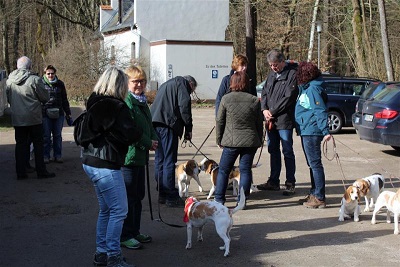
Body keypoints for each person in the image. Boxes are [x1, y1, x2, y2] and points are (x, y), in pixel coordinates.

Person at [81, 66, 142, 267]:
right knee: (119, 211)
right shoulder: (116, 106)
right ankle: (113, 256)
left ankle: (102, 252)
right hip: (106, 164)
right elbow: (131, 134)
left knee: (107, 209)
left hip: (90, 161)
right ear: (119, 85)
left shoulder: (93, 101)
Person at [120, 66, 158, 250]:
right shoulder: (127, 102)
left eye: (142, 81)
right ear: (127, 83)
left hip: (140, 157)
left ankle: (135, 231)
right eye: (135, 81)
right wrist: (148, 143)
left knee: (138, 196)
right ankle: (125, 234)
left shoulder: (142, 102)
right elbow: (131, 132)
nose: (139, 85)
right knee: (129, 198)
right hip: (129, 157)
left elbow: (148, 125)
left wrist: (155, 139)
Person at [214, 71, 263, 206]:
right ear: (246, 83)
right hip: (250, 140)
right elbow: (259, 123)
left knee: (224, 170)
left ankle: (219, 199)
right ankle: (242, 201)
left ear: (232, 83)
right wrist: (259, 139)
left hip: (231, 141)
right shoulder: (254, 100)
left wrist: (219, 139)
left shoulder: (226, 99)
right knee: (245, 170)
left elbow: (220, 121)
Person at [150, 75, 197, 208]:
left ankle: (162, 193)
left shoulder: (167, 84)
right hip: (168, 124)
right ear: (191, 84)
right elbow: (184, 107)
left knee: (160, 159)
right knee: (169, 161)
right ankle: (170, 195)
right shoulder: (182, 84)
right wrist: (188, 129)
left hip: (155, 123)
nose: (190, 93)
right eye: (192, 91)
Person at [6, 56, 56, 180]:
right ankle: (41, 171)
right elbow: (45, 97)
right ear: (29, 66)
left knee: (20, 144)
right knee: (38, 144)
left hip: (18, 117)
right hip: (33, 117)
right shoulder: (34, 79)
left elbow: (9, 98)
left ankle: (21, 172)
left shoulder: (9, 80)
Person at [257, 49, 299, 196]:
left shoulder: (292, 75)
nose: (273, 67)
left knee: (287, 151)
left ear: (282, 61)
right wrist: (264, 110)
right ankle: (273, 181)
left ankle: (290, 182)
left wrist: (272, 111)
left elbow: (289, 98)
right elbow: (264, 93)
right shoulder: (271, 75)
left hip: (284, 120)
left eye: (275, 64)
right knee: (272, 150)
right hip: (270, 120)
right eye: (271, 65)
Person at [295, 61, 331, 208]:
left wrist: (326, 131)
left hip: (312, 130)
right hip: (306, 129)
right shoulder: (308, 87)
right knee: (312, 164)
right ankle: (314, 192)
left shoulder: (313, 89)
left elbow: (320, 110)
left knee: (315, 164)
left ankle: (319, 197)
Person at [42, 65, 72, 163]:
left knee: (57, 136)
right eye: (48, 73)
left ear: (55, 73)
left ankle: (57, 155)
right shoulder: (40, 83)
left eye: (52, 73)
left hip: (59, 114)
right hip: (45, 114)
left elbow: (64, 99)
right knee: (46, 136)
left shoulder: (60, 84)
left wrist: (68, 113)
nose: (50, 75)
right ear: (45, 74)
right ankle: (46, 156)